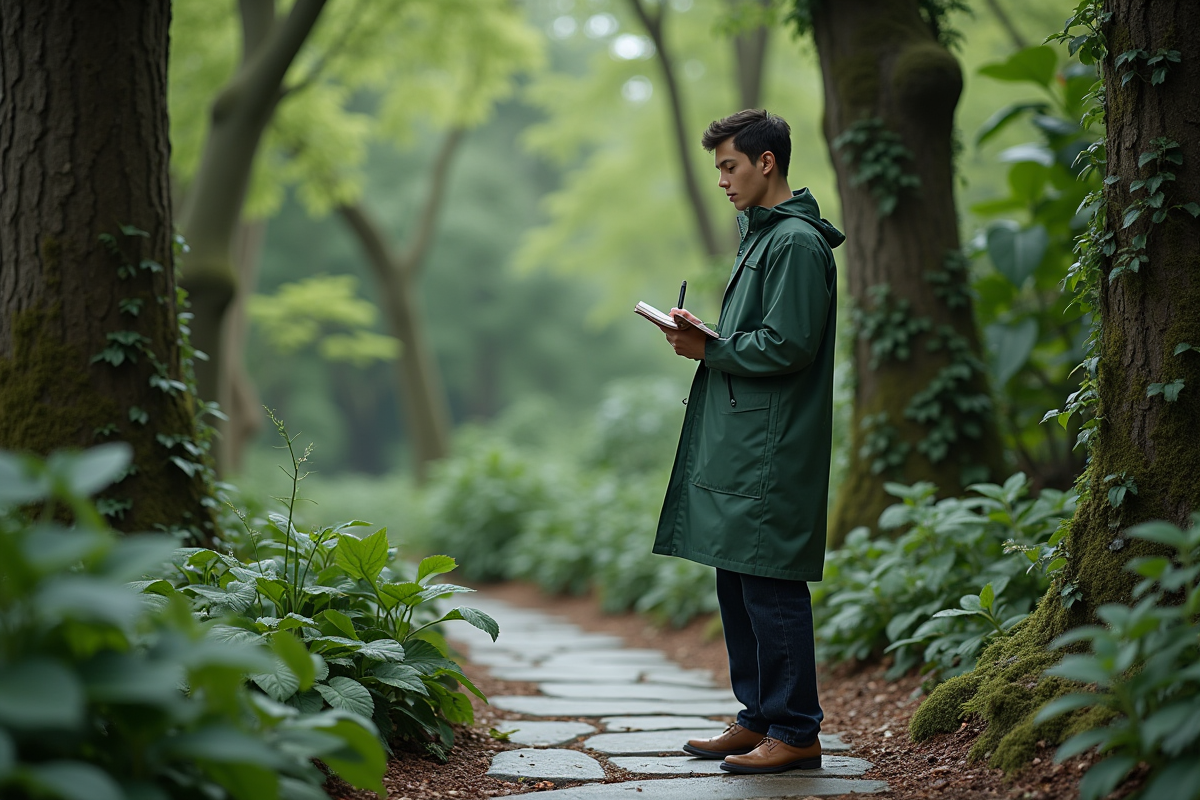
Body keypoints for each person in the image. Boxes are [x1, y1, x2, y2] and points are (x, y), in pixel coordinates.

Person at [652, 109, 844, 774]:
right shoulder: (763, 236)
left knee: (770, 584)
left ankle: (795, 729)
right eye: (718, 170)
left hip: (773, 444)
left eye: (730, 166)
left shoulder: (793, 242)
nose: (723, 181)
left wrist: (710, 347)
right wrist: (713, 339)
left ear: (767, 162)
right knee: (737, 578)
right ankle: (758, 716)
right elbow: (762, 337)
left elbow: (789, 345)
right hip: (747, 438)